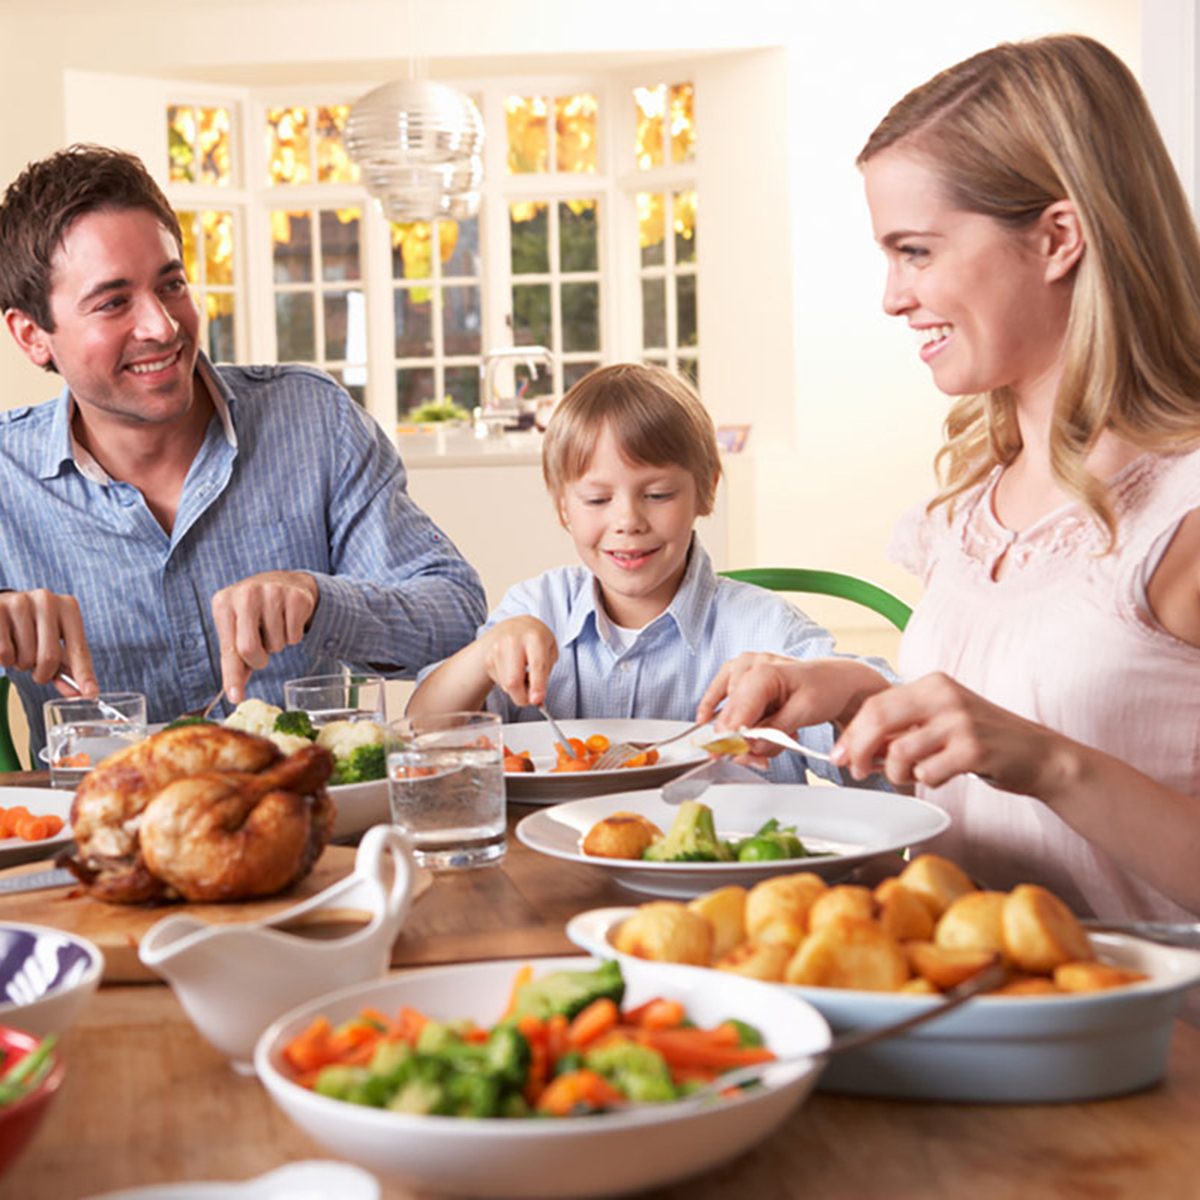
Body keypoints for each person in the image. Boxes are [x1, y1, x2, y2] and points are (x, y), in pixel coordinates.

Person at [700, 34, 1200, 920]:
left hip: (1157, 1045)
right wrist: (865, 696)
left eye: (917, 251)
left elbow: (1046, 748)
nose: (892, 296)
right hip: (976, 1012)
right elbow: (1015, 731)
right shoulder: (975, 502)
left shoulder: (1182, 512)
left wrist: (1051, 765)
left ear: (1056, 238)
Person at [0, 144, 487, 752]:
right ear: (31, 335)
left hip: (306, 824)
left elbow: (458, 614)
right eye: (114, 302)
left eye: (171, 284)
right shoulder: (5, 474)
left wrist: (319, 600)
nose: (162, 326)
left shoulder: (311, 418)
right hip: (103, 830)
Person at [408, 362, 893, 784]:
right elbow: (420, 735)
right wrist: (484, 655)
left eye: (658, 495)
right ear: (563, 509)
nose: (628, 521)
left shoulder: (766, 630)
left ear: (705, 492)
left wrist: (835, 687)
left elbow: (887, 766)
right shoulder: (536, 609)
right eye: (598, 500)